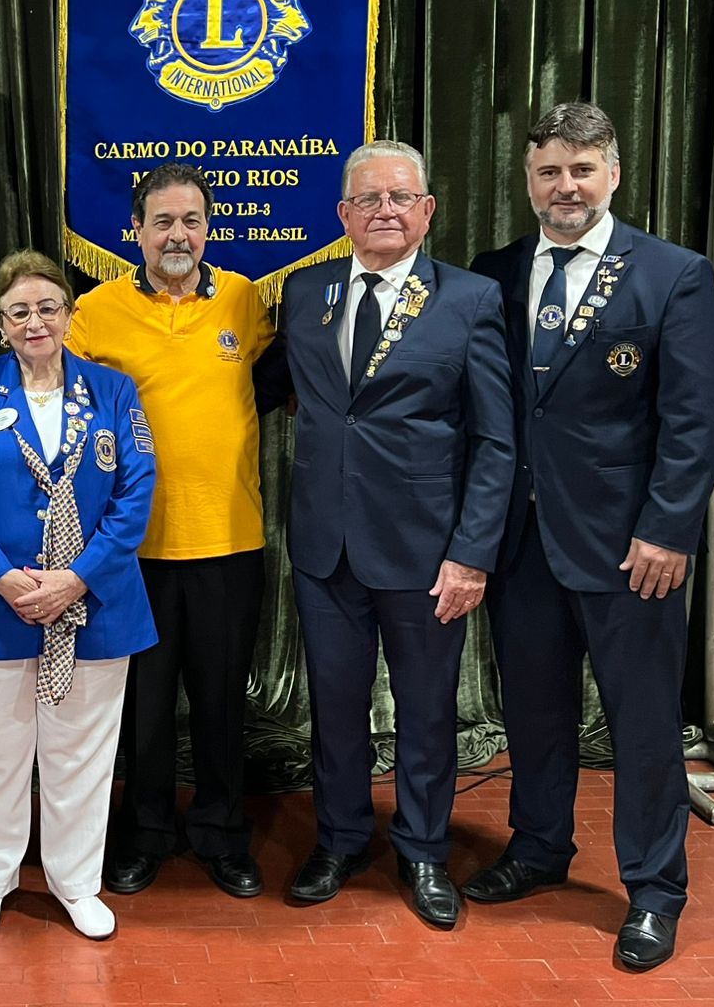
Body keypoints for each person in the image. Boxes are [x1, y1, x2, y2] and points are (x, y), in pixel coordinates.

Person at [466, 103, 714, 972]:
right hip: (522, 543)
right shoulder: (493, 276)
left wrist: (667, 529)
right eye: (548, 171)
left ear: (613, 173)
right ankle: (539, 849)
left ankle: (655, 891)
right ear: (529, 180)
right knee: (534, 715)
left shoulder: (671, 274)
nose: (565, 186)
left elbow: (695, 419)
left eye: (582, 169)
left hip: (631, 552)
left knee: (644, 724)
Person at [256, 139, 514, 929]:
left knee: (427, 708)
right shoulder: (306, 293)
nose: (385, 211)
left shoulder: (468, 299)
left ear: (427, 210)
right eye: (368, 200)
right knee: (333, 708)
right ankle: (339, 840)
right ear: (343, 216)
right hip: (325, 548)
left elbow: (496, 439)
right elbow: (255, 389)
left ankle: (426, 848)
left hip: (426, 551)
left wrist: (473, 552)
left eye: (401, 197)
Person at [0, 250, 157, 941]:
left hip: (93, 604)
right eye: (18, 311)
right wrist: (0, 576)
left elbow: (134, 493)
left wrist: (77, 576)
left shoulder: (114, 392)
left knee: (80, 754)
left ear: (69, 315)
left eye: (47, 307)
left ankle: (76, 882)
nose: (35, 321)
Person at [66, 163, 274, 900]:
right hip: (132, 549)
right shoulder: (95, 310)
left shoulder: (245, 301)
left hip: (228, 540)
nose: (178, 235)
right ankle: (146, 833)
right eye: (163, 222)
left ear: (209, 228)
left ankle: (221, 835)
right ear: (137, 231)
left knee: (221, 702)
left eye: (191, 220)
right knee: (144, 708)